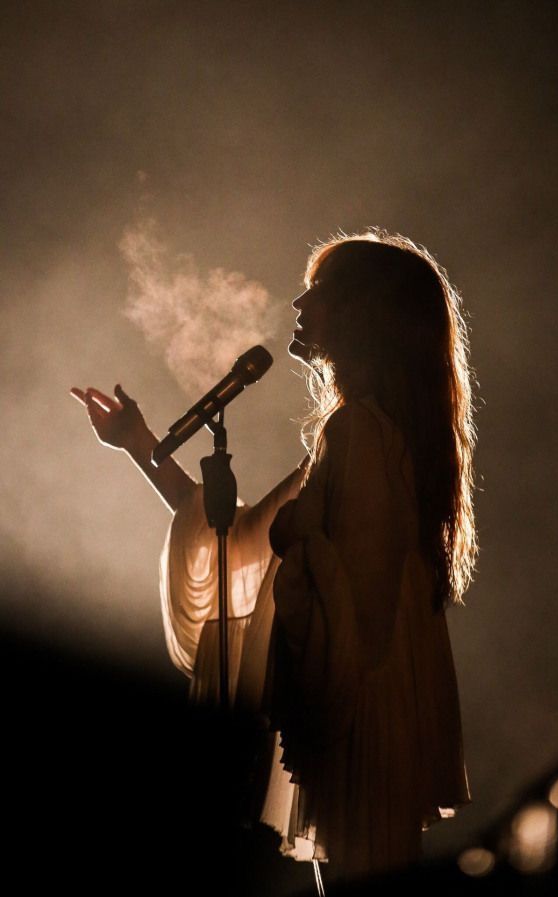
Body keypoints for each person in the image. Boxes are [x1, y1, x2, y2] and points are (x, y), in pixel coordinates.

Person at [71, 229, 478, 891]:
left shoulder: (361, 434)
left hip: (357, 723)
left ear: (359, 311)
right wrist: (140, 443)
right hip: (353, 721)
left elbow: (356, 604)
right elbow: (240, 538)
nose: (297, 302)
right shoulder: (355, 433)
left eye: (316, 290)